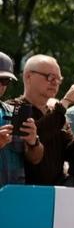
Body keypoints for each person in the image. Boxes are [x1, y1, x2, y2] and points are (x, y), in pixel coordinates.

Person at [16, 54, 74, 186]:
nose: (55, 83)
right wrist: (65, 102)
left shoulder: (57, 116)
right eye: (50, 77)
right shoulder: (15, 108)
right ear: (28, 76)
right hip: (24, 192)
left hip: (56, 194)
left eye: (58, 79)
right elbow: (38, 135)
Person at [0, 51, 29, 188]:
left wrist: (34, 142)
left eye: (5, 80)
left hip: (13, 195)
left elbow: (35, 160)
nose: (1, 85)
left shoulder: (14, 113)